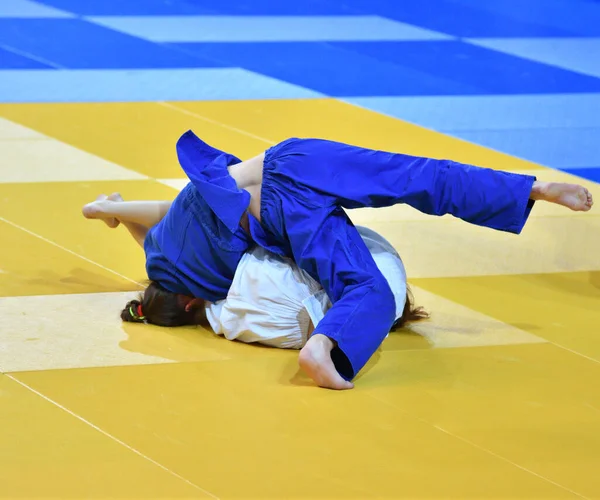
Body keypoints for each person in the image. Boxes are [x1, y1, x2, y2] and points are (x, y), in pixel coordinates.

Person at [83, 132, 593, 390]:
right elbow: (157, 213)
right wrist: (109, 210)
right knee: (415, 174)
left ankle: (326, 347)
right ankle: (535, 188)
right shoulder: (161, 248)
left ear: (190, 304)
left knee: (367, 289)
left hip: (287, 209)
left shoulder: (212, 292)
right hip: (288, 156)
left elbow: (209, 289)